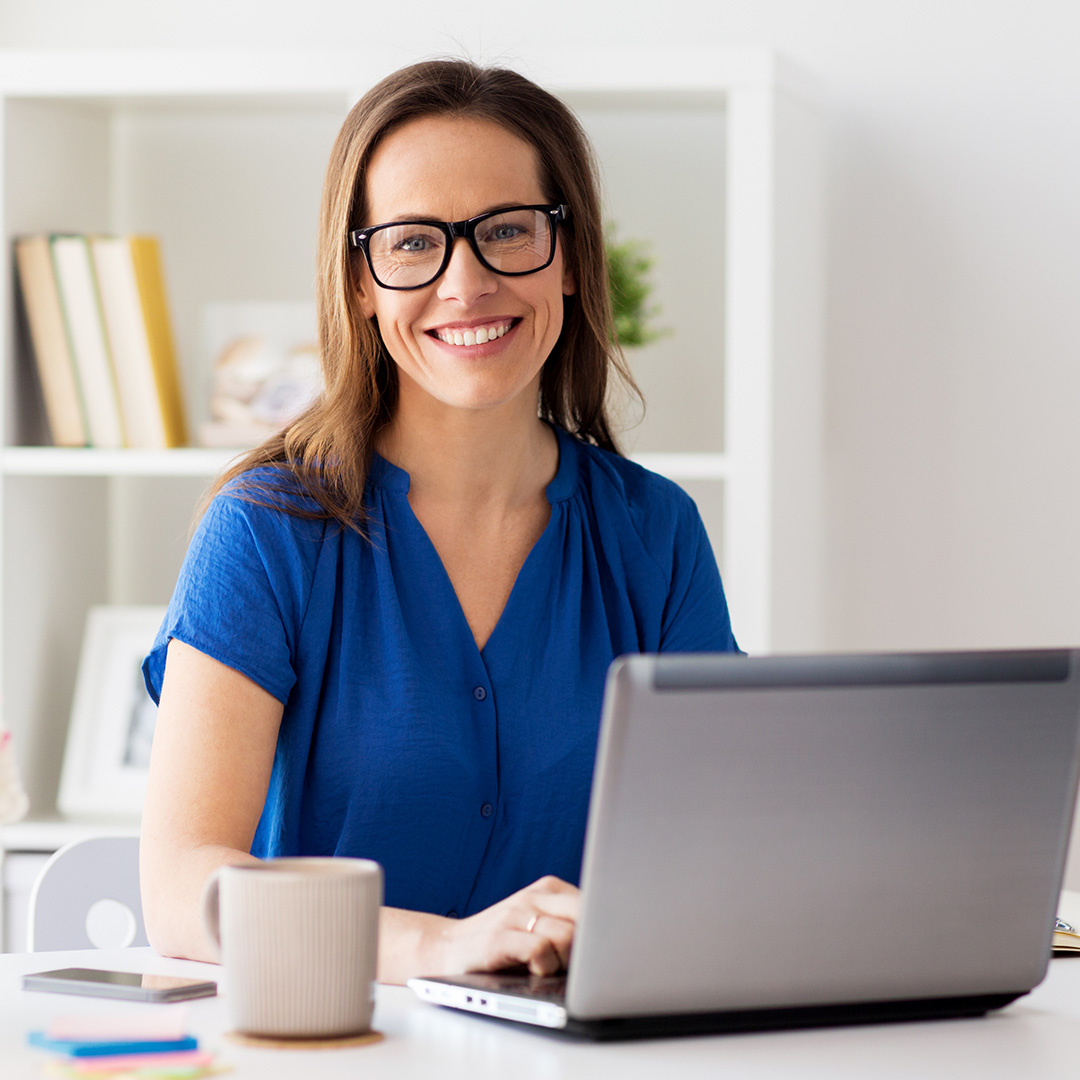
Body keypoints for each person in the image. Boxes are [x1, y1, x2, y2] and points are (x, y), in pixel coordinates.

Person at [140, 59, 739, 985]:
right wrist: (438, 946)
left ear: (573, 258)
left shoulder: (656, 534)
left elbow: (720, 849)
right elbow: (182, 888)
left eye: (507, 230)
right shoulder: (265, 531)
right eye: (415, 243)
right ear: (361, 283)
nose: (467, 283)